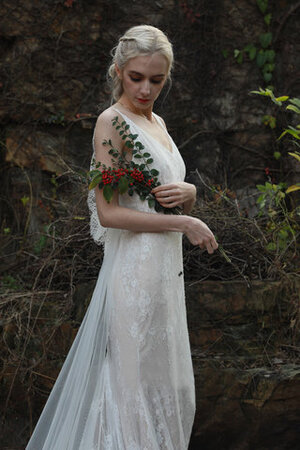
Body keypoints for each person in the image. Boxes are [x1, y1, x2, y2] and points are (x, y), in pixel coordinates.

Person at [26, 25, 218, 450]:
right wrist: (184, 224)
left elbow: (162, 197)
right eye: (137, 78)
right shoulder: (111, 122)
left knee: (166, 386)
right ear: (118, 71)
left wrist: (191, 193)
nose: (146, 89)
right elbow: (111, 214)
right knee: (130, 390)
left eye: (157, 79)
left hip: (167, 273)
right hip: (135, 273)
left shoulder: (158, 122)